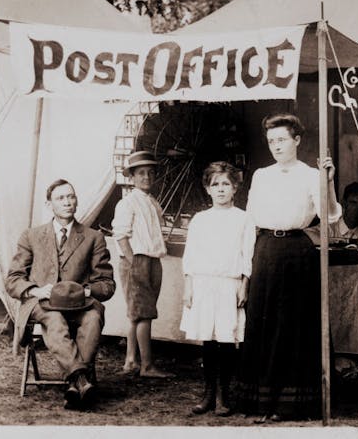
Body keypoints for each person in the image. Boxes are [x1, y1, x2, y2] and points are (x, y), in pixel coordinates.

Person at [236, 113, 342, 423]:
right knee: (263, 322)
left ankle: (292, 404)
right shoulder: (261, 176)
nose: (276, 146)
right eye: (271, 141)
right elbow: (250, 222)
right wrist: (245, 272)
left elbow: (330, 214)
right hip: (266, 250)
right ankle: (260, 400)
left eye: (281, 139)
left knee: (294, 325)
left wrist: (329, 181)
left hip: (298, 253)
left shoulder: (311, 174)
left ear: (296, 140)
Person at [6, 179, 115, 410]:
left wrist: (85, 291)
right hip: (41, 303)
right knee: (54, 319)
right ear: (49, 204)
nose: (67, 202)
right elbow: (13, 279)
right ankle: (81, 378)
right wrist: (35, 290)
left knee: (94, 317)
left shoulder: (93, 237)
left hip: (80, 305)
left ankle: (76, 386)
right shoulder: (31, 236)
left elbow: (106, 285)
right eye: (61, 198)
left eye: (71, 196)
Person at [180, 161, 254, 416]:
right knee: (208, 340)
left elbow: (248, 256)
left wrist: (244, 284)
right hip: (203, 283)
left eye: (226, 184)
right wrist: (188, 286)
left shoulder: (244, 219)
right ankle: (208, 393)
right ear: (208, 189)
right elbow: (190, 256)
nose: (220, 189)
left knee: (226, 339)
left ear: (235, 188)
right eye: (215, 184)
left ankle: (224, 393)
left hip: (229, 285)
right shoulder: (200, 220)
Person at [112, 150, 173, 378]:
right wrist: (134, 262)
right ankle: (147, 366)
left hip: (152, 260)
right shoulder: (127, 203)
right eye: (141, 173)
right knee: (144, 313)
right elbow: (120, 235)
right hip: (136, 260)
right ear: (132, 177)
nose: (146, 177)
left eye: (150, 173)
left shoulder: (153, 203)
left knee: (136, 314)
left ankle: (130, 361)